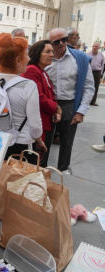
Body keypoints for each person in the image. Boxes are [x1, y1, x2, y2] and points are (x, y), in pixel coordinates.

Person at [0, 33, 46, 164]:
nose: (28, 58)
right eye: (26, 55)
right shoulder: (28, 85)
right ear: (17, 60)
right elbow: (34, 124)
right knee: (19, 183)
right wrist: (39, 141)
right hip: (21, 145)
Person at [45, 28, 95, 174]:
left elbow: (89, 86)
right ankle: (41, 169)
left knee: (67, 140)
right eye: (57, 41)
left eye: (64, 39)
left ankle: (63, 169)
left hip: (69, 104)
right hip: (48, 105)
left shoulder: (80, 58)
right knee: (45, 139)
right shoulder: (44, 58)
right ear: (50, 43)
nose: (61, 43)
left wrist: (81, 111)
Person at [22, 40, 62, 167]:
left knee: (42, 158)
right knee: (38, 159)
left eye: (52, 51)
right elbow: (38, 96)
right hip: (39, 121)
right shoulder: (32, 70)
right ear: (37, 53)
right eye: (47, 51)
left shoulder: (42, 71)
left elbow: (50, 93)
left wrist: (56, 109)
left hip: (46, 119)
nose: (52, 55)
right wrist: (55, 107)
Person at [87, 42, 104, 106]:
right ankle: (87, 101)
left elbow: (102, 64)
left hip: (97, 72)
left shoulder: (101, 55)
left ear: (99, 48)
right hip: (89, 72)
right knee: (88, 86)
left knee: (96, 87)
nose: (94, 47)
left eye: (96, 46)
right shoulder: (88, 54)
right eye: (93, 46)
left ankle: (93, 101)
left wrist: (101, 74)